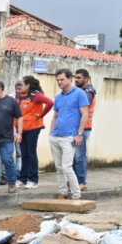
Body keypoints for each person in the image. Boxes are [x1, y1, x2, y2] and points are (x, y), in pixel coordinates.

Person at [49, 69, 89, 200]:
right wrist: (51, 133)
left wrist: (79, 134)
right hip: (56, 136)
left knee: (67, 167)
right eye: (58, 80)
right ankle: (62, 192)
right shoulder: (58, 97)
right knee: (59, 167)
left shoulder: (79, 94)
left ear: (69, 79)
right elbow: (55, 116)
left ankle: (76, 195)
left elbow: (85, 114)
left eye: (62, 79)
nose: (59, 82)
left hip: (70, 136)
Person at [16, 75, 54, 189]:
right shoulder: (21, 96)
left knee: (31, 153)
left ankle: (33, 180)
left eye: (22, 84)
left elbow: (50, 102)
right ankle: (22, 178)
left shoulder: (36, 95)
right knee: (24, 154)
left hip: (33, 128)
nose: (20, 86)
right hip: (22, 128)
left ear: (28, 85)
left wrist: (41, 115)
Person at [74, 69, 97, 191]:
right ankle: (74, 181)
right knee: (73, 157)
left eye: (79, 78)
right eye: (75, 77)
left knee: (79, 156)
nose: (76, 80)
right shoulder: (77, 91)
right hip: (74, 127)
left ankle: (82, 182)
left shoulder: (89, 91)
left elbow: (81, 106)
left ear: (86, 79)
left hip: (83, 128)